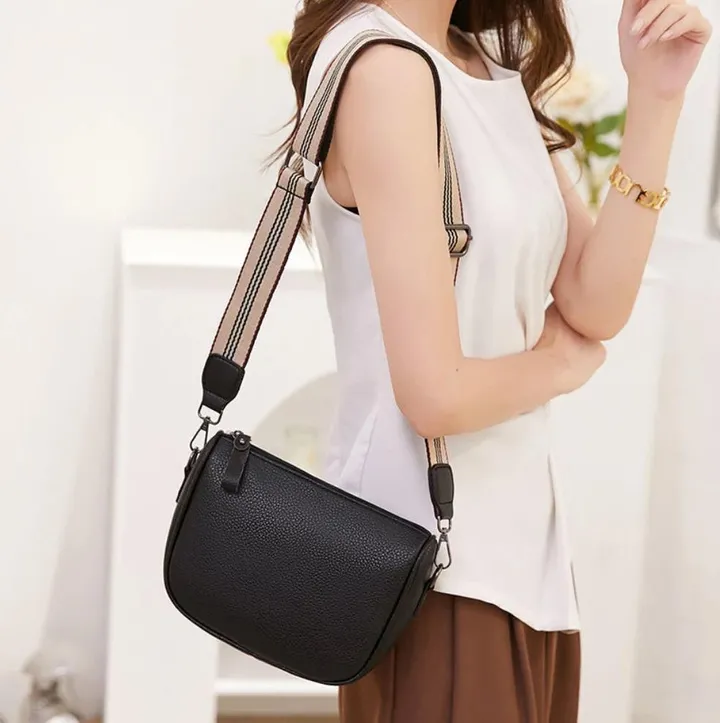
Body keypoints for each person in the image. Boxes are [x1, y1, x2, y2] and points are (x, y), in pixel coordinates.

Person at [278, 0, 712, 721]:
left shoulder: (481, 68)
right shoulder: (384, 67)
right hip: (434, 569)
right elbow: (435, 394)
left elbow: (595, 300)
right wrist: (559, 365)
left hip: (520, 562)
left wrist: (657, 97)